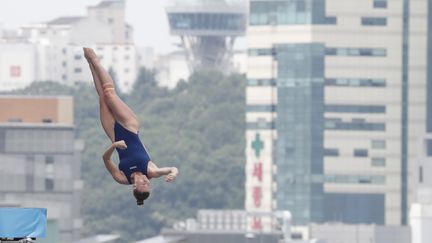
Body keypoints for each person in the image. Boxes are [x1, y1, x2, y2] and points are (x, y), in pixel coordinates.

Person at [83, 47, 179, 206]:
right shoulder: (151, 171)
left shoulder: (122, 178)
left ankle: (90, 63)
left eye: (144, 185)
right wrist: (173, 174)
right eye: (148, 185)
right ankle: (95, 60)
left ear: (135, 186)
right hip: (129, 126)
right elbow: (171, 169)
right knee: (109, 93)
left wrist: (114, 145)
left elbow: (105, 159)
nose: (147, 182)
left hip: (113, 133)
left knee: (102, 98)